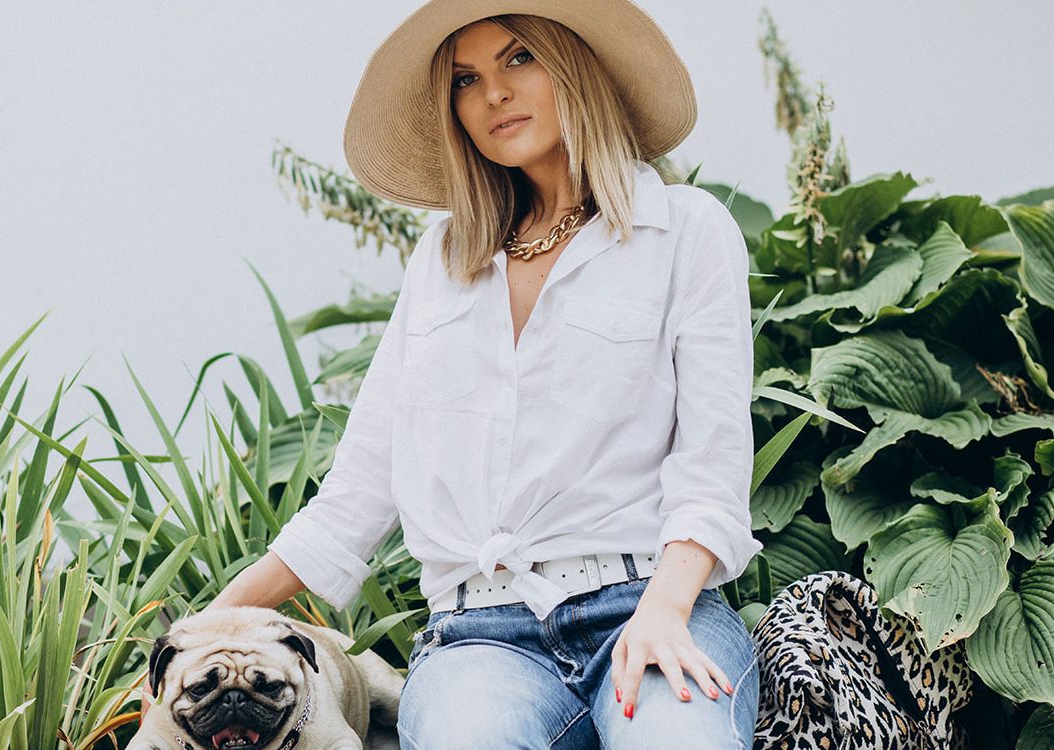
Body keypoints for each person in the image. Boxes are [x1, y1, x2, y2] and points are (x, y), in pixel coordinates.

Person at [208, 1, 762, 746]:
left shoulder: (685, 230)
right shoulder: (442, 263)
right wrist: (205, 628)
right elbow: (359, 492)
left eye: (519, 59)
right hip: (479, 639)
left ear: (579, 67)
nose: (493, 93)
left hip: (649, 604)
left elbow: (713, 460)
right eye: (466, 78)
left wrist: (663, 607)